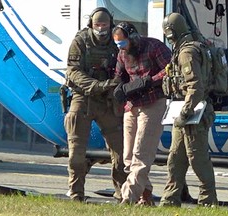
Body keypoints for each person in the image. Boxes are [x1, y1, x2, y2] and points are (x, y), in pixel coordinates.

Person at [64, 7, 127, 202]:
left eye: (105, 25)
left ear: (111, 24)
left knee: (121, 151)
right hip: (83, 98)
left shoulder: (118, 40)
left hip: (108, 100)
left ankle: (122, 192)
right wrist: (96, 86)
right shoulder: (80, 41)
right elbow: (72, 71)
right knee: (76, 152)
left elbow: (128, 64)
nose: (101, 29)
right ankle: (76, 192)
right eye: (97, 25)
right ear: (91, 24)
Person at [159, 13, 218, 207]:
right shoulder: (194, 46)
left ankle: (208, 200)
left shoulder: (187, 53)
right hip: (187, 111)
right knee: (176, 157)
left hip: (193, 113)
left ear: (171, 32)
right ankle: (170, 198)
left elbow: (195, 87)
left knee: (197, 158)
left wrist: (185, 112)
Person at [112, 22, 172, 205]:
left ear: (133, 37)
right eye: (118, 44)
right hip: (132, 105)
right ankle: (146, 197)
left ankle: (127, 198)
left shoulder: (154, 47)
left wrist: (149, 81)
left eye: (123, 43)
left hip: (153, 102)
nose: (121, 47)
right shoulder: (122, 54)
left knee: (141, 154)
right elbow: (119, 75)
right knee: (129, 158)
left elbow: (170, 68)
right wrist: (119, 87)